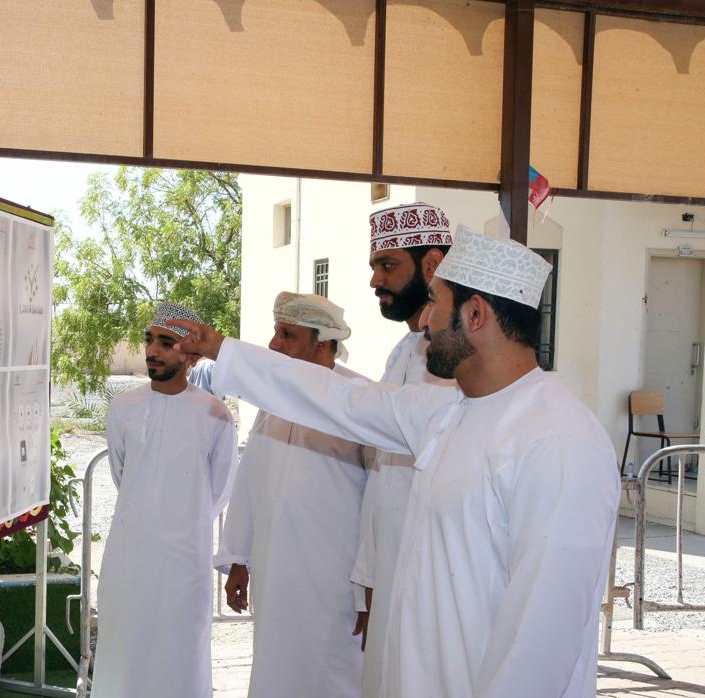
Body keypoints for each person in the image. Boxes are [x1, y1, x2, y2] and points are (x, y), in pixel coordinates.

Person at [171, 226, 620, 698]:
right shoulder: (445, 409)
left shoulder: (559, 440)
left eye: (437, 304)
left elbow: (542, 642)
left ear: (475, 314)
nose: (426, 324)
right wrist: (223, 350)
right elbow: (338, 398)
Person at [215, 292, 372, 697]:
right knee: (275, 674)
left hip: (335, 583)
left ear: (322, 343)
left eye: (287, 334)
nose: (274, 344)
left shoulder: (359, 399)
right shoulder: (274, 401)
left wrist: (371, 583)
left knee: (333, 676)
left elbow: (382, 501)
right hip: (275, 573)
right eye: (275, 332)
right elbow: (252, 480)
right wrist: (238, 560)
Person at [91, 301, 238, 698]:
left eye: (165, 342)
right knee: (123, 654)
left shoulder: (215, 414)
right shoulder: (123, 409)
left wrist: (180, 525)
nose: (152, 351)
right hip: (128, 560)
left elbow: (220, 490)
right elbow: (124, 476)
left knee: (179, 657)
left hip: (183, 565)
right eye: (149, 340)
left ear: (190, 355)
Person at [354, 202, 456, 695]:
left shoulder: (453, 368)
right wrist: (371, 578)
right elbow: (381, 483)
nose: (376, 280)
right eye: (375, 266)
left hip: (430, 591)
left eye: (387, 265)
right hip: (390, 578)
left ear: (432, 265)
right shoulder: (400, 351)